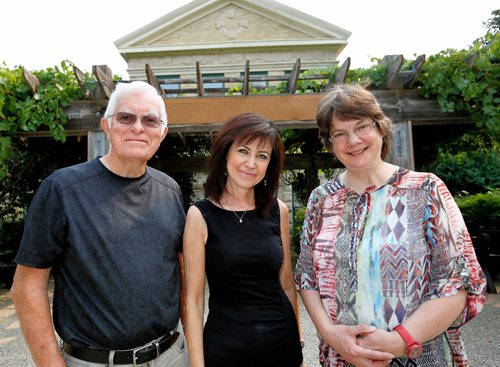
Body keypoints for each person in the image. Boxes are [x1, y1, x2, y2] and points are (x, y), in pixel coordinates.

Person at [294, 84, 487, 367]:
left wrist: (400, 340)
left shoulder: (426, 189)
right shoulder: (321, 200)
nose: (353, 140)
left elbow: (458, 283)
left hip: (415, 357)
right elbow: (307, 276)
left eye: (361, 127)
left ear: (380, 128)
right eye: (339, 133)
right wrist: (331, 335)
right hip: (341, 359)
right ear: (330, 142)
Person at [11, 81, 189, 367]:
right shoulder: (63, 189)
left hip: (169, 357)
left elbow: (181, 271)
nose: (138, 127)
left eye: (150, 120)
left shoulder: (169, 190)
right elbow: (27, 286)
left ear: (162, 132)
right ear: (106, 125)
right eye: (126, 117)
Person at [183, 112, 303, 367]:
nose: (251, 163)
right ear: (226, 153)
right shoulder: (199, 215)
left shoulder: (277, 210)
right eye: (243, 151)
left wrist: (299, 345)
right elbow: (193, 300)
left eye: (262, 156)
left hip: (281, 343)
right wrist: (196, 363)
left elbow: (287, 284)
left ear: (269, 165)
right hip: (226, 349)